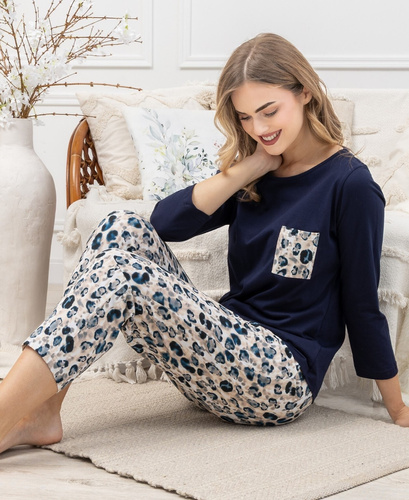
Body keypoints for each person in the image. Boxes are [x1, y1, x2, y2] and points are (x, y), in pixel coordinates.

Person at [1, 33, 409, 455]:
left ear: (305, 92)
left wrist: (397, 408)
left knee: (121, 274)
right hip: (218, 353)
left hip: (279, 377)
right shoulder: (258, 172)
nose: (260, 129)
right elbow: (163, 223)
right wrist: (249, 168)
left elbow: (362, 304)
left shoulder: (350, 184)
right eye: (246, 117)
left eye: (269, 111)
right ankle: (45, 413)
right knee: (121, 227)